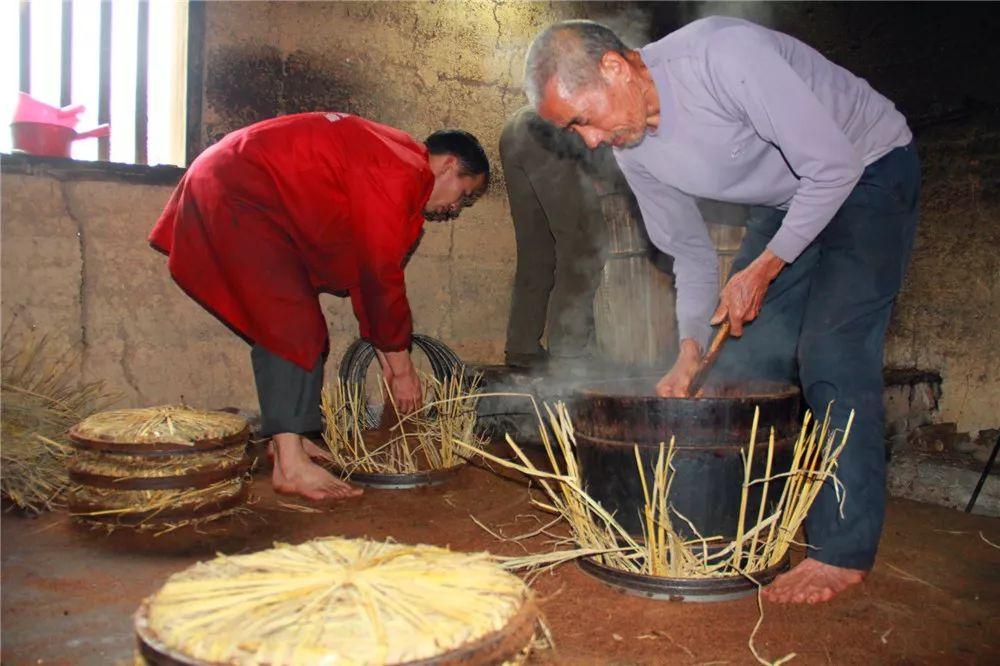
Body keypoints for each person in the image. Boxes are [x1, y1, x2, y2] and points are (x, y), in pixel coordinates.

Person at [524, 17, 919, 603]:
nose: (589, 141)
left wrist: (765, 265)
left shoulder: (721, 57)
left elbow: (833, 166)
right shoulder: (636, 152)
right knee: (740, 361)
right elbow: (688, 252)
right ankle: (746, 522)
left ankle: (842, 550)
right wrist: (687, 349)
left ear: (614, 67)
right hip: (786, 199)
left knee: (831, 354)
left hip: (868, 170)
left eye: (582, 118)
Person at [150, 112, 489, 502]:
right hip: (237, 189)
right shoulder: (399, 171)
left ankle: (287, 442)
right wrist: (402, 370)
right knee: (293, 326)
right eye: (464, 194)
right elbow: (380, 276)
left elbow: (366, 281)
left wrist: (392, 364)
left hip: (240, 187)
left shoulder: (394, 163)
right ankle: (290, 468)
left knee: (300, 328)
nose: (455, 208)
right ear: (448, 165)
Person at [500, 105, 611, 369]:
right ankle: (570, 349)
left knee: (536, 249)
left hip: (518, 128)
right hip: (551, 132)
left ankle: (522, 346)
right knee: (584, 243)